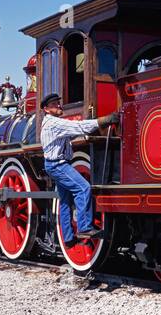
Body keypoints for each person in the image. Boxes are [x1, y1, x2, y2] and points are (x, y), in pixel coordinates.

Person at [39, 93, 119, 243]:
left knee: (65, 201)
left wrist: (90, 124)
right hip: (58, 165)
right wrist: (105, 120)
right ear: (46, 109)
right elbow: (79, 127)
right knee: (83, 188)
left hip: (54, 164)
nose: (59, 106)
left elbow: (72, 132)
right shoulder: (53, 123)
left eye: (58, 103)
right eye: (55, 104)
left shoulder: (50, 123)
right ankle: (84, 228)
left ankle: (68, 238)